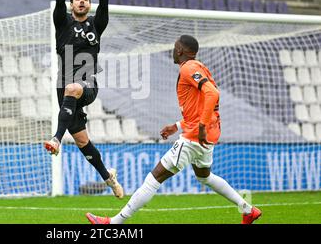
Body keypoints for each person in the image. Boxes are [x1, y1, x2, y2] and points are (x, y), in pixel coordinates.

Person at [86, 35, 261, 224]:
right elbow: (200, 106)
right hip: (208, 134)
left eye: (175, 47)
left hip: (196, 136)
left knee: (154, 178)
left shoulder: (189, 68)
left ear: (180, 50)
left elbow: (213, 93)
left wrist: (201, 126)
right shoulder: (199, 67)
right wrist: (177, 126)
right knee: (205, 176)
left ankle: (113, 223)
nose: (173, 50)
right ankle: (247, 209)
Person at [43, 0, 124, 199]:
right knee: (81, 142)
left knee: (74, 88)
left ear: (89, 6)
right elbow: (59, 1)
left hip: (87, 84)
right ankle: (108, 177)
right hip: (63, 86)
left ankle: (55, 139)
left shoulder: (96, 25)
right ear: (71, 4)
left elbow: (105, 6)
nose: (81, 1)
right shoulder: (62, 22)